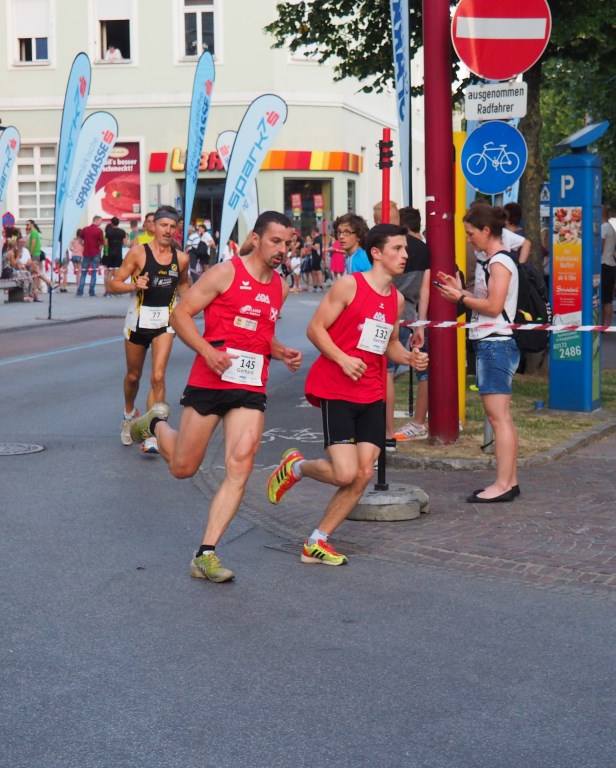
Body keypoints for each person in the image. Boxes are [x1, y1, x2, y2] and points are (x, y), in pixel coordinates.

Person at [127, 211, 303, 583]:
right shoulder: (225, 273)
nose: (282, 250)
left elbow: (259, 333)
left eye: (287, 244)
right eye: (275, 241)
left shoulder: (280, 287)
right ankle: (155, 423)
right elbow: (181, 315)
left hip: (250, 385)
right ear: (255, 239)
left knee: (241, 463)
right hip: (211, 380)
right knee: (183, 468)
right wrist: (207, 351)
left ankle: (205, 553)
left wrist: (280, 351)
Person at [266, 223, 428, 566]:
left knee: (364, 473)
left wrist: (410, 359)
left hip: (371, 392)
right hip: (337, 388)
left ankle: (317, 541)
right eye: (397, 248)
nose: (405, 255)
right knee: (344, 473)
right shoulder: (349, 285)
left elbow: (389, 345)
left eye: (405, 249)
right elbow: (315, 329)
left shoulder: (397, 300)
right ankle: (296, 467)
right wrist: (342, 358)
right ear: (377, 253)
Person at [434, 204, 521, 503]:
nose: (468, 239)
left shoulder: (499, 262)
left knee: (499, 419)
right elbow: (490, 302)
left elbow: (494, 307)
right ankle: (509, 481)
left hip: (495, 343)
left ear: (486, 230)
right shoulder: (495, 261)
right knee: (502, 418)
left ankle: (503, 485)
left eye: (471, 233)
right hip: (494, 342)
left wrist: (460, 298)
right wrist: (462, 292)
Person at [105, 207, 190, 454]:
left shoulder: (181, 259)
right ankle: (129, 413)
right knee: (133, 376)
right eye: (163, 225)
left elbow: (184, 285)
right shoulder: (138, 253)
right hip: (137, 323)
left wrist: (190, 306)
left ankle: (152, 432)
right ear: (153, 227)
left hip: (165, 324)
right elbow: (112, 284)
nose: (168, 231)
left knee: (158, 376)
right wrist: (134, 285)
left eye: (172, 227)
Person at [392, 206, 432, 441]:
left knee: (386, 371)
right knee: (421, 369)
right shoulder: (426, 249)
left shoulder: (397, 247)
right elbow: (424, 290)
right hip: (413, 313)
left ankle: (388, 428)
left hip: (394, 311)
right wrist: (420, 323)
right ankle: (417, 420)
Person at [600, 206, 616, 326]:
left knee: (604, 299)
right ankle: (606, 324)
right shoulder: (611, 227)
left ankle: (604, 325)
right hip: (611, 264)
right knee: (607, 298)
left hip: (604, 264)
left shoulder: (603, 228)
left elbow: (599, 248)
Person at [78, 215, 105, 297]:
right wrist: (100, 251)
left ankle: (80, 291)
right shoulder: (99, 231)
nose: (101, 223)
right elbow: (101, 243)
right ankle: (91, 291)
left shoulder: (85, 229)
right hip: (95, 253)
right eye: (100, 221)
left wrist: (83, 245)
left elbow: (80, 239)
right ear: (96, 221)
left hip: (86, 253)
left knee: (83, 273)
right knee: (94, 273)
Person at [103, 216, 127, 296]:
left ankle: (108, 291)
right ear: (118, 223)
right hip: (118, 254)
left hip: (110, 253)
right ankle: (116, 291)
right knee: (117, 274)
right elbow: (124, 243)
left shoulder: (108, 232)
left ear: (111, 223)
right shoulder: (122, 232)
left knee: (109, 272)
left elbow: (105, 243)